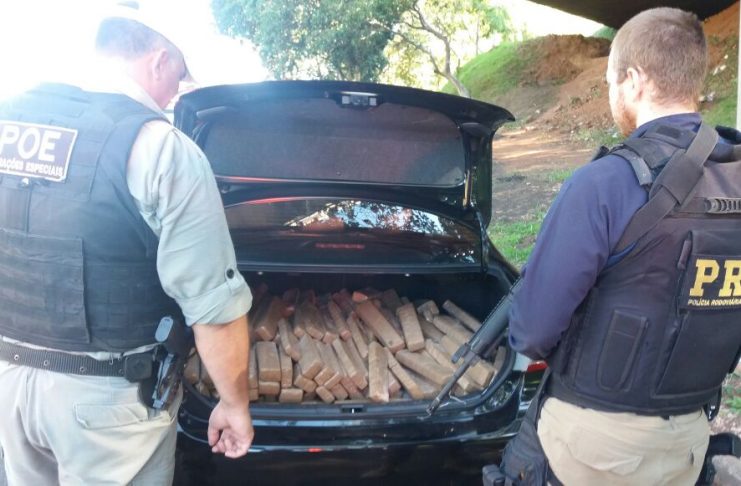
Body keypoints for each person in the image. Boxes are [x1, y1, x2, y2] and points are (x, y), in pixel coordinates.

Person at [0, 5, 253, 485]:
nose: (176, 91)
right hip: (108, 410)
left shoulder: (8, 119)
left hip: (9, 385)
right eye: (178, 76)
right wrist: (233, 403)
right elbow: (213, 308)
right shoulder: (159, 147)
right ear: (159, 61)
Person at [505, 7, 741, 485]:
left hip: (593, 449)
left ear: (633, 81)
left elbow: (532, 331)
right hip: (687, 441)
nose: (611, 94)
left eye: (611, 81)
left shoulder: (604, 183)